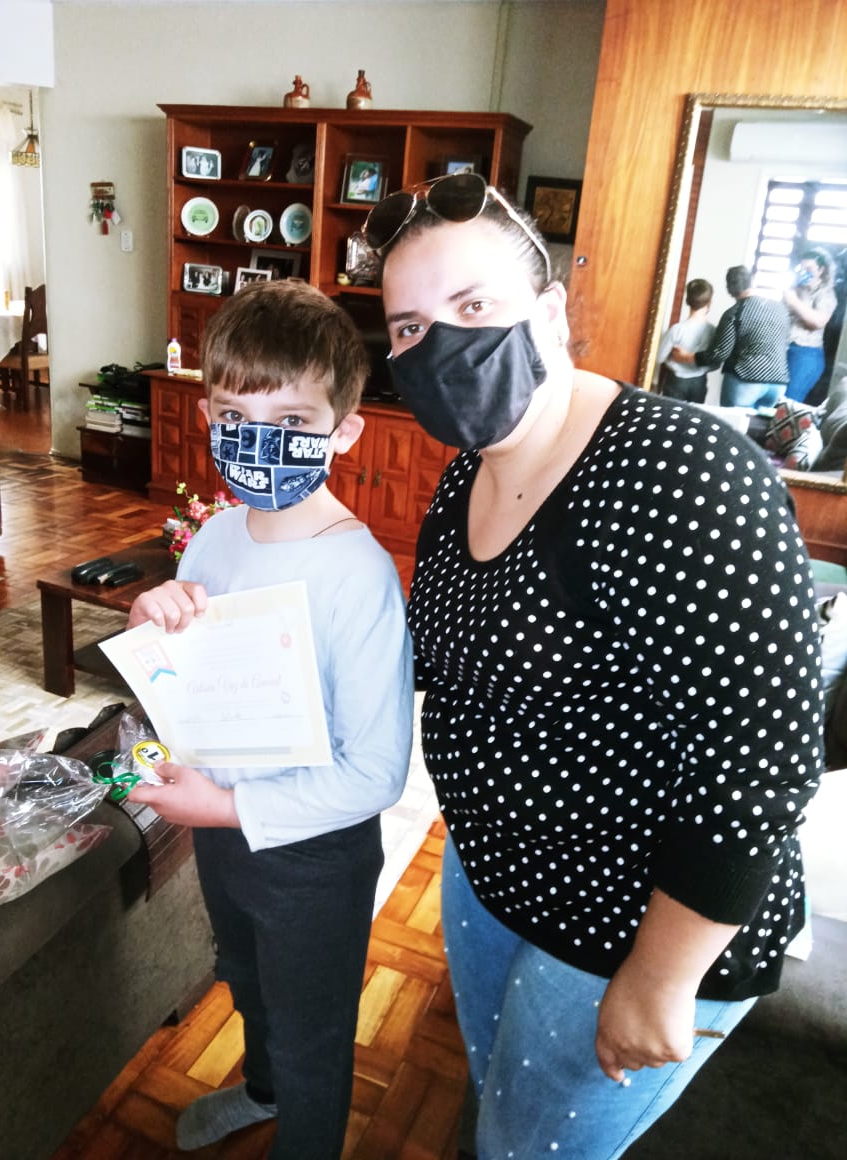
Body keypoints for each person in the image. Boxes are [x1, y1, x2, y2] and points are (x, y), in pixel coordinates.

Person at [362, 172, 824, 1160]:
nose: (437, 345)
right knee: (495, 1112)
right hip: (491, 875)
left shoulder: (680, 471)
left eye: (471, 306)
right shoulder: (467, 472)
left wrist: (661, 975)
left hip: (632, 920)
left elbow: (762, 761)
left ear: (549, 311)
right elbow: (441, 659)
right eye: (408, 327)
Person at [125, 279, 414, 1160]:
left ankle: (303, 1130)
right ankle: (260, 1091)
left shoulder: (358, 575)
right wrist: (151, 621)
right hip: (225, 838)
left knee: (312, 1032)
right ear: (206, 416)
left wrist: (222, 807)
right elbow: (191, 683)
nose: (258, 441)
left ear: (344, 431)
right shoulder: (216, 535)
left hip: (313, 862)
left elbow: (377, 774)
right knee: (245, 980)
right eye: (233, 415)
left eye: (290, 421)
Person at [672, 264, 790, 408]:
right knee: (760, 423)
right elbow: (785, 343)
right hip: (778, 382)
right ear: (752, 281)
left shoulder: (735, 312)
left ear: (729, 290)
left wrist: (687, 357)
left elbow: (719, 353)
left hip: (746, 378)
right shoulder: (780, 309)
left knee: (732, 420)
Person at [782, 248, 838, 403]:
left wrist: (794, 302)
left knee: (787, 403)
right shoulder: (797, 289)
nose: (804, 272)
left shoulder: (826, 294)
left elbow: (817, 322)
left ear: (821, 270)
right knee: (774, 399)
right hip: (785, 348)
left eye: (809, 269)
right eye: (801, 268)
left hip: (805, 354)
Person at [655, 277, 716, 402]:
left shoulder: (676, 330)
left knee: (671, 413)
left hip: (676, 381)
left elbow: (659, 357)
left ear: (687, 301)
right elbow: (715, 364)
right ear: (709, 303)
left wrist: (673, 358)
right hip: (699, 382)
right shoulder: (713, 331)